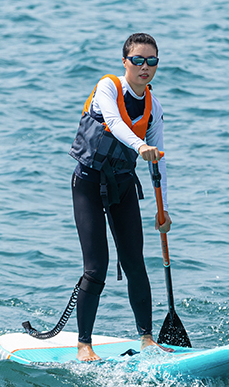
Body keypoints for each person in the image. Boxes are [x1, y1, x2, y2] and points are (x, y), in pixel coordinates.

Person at [69, 33, 171, 362]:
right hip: (88, 182)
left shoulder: (153, 106)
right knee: (96, 268)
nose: (145, 67)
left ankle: (147, 339)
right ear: (125, 62)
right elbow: (113, 121)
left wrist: (163, 209)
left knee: (135, 263)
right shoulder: (108, 87)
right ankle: (85, 345)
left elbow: (161, 160)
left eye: (151, 61)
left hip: (123, 185)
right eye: (138, 60)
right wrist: (140, 146)